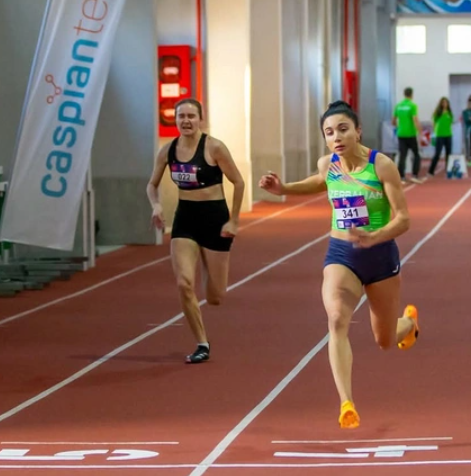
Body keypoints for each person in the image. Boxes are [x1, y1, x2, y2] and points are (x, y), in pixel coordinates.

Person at [258, 100, 420, 429]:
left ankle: (408, 325)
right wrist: (284, 188)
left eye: (343, 129)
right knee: (336, 319)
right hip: (342, 254)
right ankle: (347, 403)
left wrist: (375, 236)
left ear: (358, 131)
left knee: (385, 340)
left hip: (380, 256)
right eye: (329, 133)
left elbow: (403, 219)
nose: (337, 137)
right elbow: (318, 182)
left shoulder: (381, 165)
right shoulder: (328, 164)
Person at [146, 98, 246, 364]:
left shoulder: (214, 147)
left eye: (191, 116)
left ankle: (207, 261)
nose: (186, 121)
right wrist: (156, 206)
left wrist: (234, 220)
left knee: (215, 297)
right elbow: (151, 184)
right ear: (175, 119)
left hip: (215, 219)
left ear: (201, 119)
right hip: (185, 220)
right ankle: (202, 343)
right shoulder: (168, 151)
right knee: (183, 283)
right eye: (181, 116)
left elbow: (238, 182)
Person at [392, 87, 424, 182]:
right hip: (411, 134)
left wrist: (399, 127)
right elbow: (415, 120)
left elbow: (393, 121)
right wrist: (420, 131)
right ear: (412, 94)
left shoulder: (398, 106)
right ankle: (414, 175)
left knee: (403, 155)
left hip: (401, 133)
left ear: (404, 94)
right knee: (416, 154)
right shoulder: (412, 106)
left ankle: (401, 176)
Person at [429, 97, 454, 176]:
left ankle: (448, 170)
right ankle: (431, 171)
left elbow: (451, 122)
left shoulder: (449, 113)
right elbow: (433, 122)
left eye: (446, 102)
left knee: (449, 154)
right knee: (437, 153)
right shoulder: (438, 113)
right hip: (439, 135)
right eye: (443, 102)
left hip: (448, 135)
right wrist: (435, 131)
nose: (444, 104)